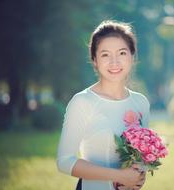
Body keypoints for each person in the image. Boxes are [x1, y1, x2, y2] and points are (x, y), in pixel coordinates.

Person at [56, 20, 150, 190]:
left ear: (132, 56)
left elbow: (141, 157)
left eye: (122, 53)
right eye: (105, 54)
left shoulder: (141, 102)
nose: (114, 62)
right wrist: (119, 176)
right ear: (95, 60)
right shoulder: (83, 102)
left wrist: (139, 177)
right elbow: (64, 161)